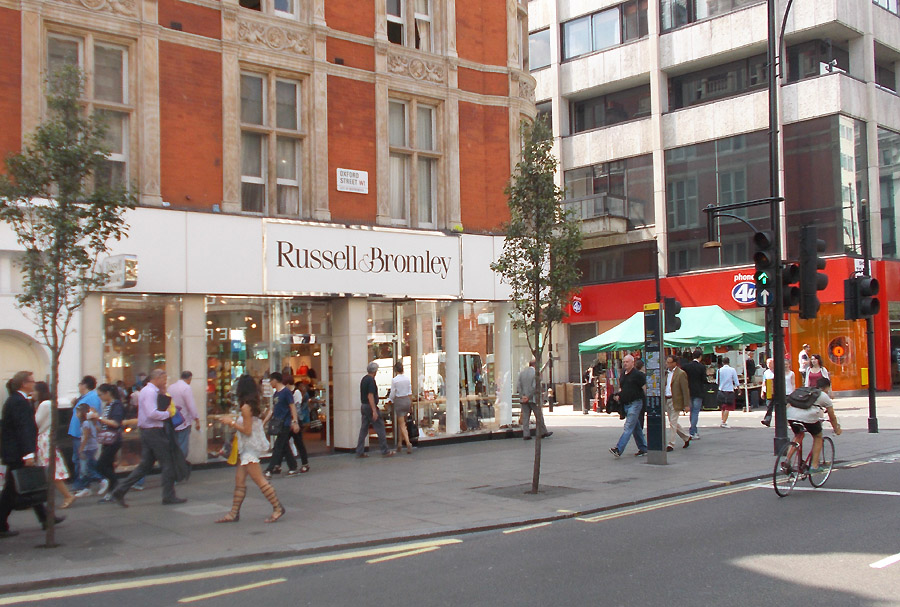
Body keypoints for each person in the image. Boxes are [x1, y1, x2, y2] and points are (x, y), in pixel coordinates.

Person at [108, 369, 186, 507]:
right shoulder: (150, 392)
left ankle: (120, 490)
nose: (165, 382)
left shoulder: (149, 391)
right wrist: (167, 414)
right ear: (157, 378)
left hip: (148, 431)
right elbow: (151, 413)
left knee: (145, 465)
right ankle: (168, 495)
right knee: (167, 462)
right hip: (154, 431)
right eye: (164, 379)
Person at [216, 375, 285, 524]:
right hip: (248, 447)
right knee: (239, 480)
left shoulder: (246, 408)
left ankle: (277, 507)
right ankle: (234, 513)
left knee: (259, 480)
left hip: (248, 448)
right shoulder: (251, 406)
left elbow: (246, 430)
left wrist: (231, 423)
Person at [1, 371, 63, 537]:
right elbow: (23, 429)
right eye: (31, 381)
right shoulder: (18, 402)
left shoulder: (18, 401)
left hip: (16, 452)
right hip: (18, 453)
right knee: (13, 490)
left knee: (26, 486)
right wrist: (28, 454)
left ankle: (45, 518)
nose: (34, 384)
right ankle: (2, 524)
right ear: (24, 384)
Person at [32, 381, 76, 509]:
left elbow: (37, 422)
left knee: (52, 470)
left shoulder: (44, 404)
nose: (32, 393)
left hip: (44, 439)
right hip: (47, 438)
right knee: (52, 470)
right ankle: (66, 495)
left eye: (35, 390)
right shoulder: (49, 403)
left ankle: (67, 495)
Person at [786, 377, 841, 473]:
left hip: (791, 415)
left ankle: (787, 460)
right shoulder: (823, 396)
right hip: (808, 417)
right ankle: (814, 466)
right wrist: (836, 429)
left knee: (799, 435)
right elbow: (832, 416)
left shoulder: (805, 391)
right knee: (818, 436)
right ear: (827, 387)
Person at [609, 354, 648, 457]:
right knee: (636, 427)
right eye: (624, 362)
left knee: (628, 426)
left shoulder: (638, 375)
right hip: (626, 403)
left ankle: (618, 449)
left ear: (632, 363)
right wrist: (618, 395)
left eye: (627, 362)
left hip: (635, 403)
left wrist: (647, 400)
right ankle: (643, 448)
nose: (625, 364)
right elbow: (623, 388)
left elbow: (645, 387)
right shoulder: (623, 374)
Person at [263, 372, 300, 479]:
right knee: (284, 446)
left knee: (278, 446)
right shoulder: (276, 394)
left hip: (285, 423)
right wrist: (264, 421)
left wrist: (295, 421)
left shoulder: (286, 392)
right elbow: (273, 409)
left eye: (270, 380)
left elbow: (292, 407)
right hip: (278, 423)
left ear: (275, 380)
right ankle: (293, 467)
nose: (270, 383)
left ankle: (270, 469)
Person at [68, 375, 101, 488]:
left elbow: (92, 414)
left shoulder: (92, 397)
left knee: (81, 459)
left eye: (80, 384)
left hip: (82, 432)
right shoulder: (84, 397)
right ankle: (88, 480)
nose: (78, 386)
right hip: (78, 431)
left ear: (85, 385)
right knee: (83, 459)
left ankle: (84, 482)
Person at [355, 362, 394, 458]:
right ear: (375, 371)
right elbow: (370, 395)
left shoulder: (364, 379)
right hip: (369, 406)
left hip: (363, 406)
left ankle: (359, 451)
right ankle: (385, 450)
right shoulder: (371, 381)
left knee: (363, 429)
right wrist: (374, 410)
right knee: (380, 427)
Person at [95, 384, 126, 504]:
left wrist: (99, 418)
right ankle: (113, 491)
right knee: (107, 466)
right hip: (107, 439)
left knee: (101, 465)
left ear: (108, 393)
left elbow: (116, 423)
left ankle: (116, 487)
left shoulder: (116, 405)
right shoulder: (108, 405)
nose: (100, 397)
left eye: (101, 395)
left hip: (113, 439)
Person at [72, 403, 104, 498]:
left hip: (88, 448)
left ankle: (101, 480)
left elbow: (85, 436)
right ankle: (87, 488)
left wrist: (81, 449)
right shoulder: (89, 422)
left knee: (86, 469)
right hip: (91, 447)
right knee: (89, 466)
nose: (76, 415)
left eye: (77, 412)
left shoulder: (85, 423)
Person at [168, 371, 200, 458]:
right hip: (183, 420)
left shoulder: (171, 387)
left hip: (172, 420)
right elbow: (191, 405)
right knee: (183, 445)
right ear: (189, 378)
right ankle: (180, 466)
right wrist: (196, 419)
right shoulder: (186, 388)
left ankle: (174, 464)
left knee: (174, 444)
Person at [517, 360, 551, 440]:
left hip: (524, 399)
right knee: (538, 416)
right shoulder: (536, 373)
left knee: (525, 417)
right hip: (533, 399)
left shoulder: (521, 373)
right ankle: (543, 432)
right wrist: (528, 396)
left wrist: (523, 396)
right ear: (535, 365)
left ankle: (526, 434)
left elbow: (518, 386)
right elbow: (534, 386)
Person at [664, 355, 692, 452]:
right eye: (666, 362)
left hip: (676, 400)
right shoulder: (666, 373)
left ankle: (671, 444)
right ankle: (686, 437)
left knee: (673, 422)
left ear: (674, 363)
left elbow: (685, 390)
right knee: (673, 422)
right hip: (667, 399)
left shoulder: (681, 373)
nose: (667, 364)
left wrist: (687, 404)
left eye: (669, 362)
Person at [761, 356, 797, 427]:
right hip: (770, 389)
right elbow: (764, 382)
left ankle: (787, 420)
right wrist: (762, 391)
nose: (769, 364)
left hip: (783, 391)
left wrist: (793, 391)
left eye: (770, 363)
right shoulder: (766, 372)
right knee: (769, 405)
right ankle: (767, 420)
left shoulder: (778, 371)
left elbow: (793, 383)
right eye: (768, 363)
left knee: (785, 407)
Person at [388, 361, 414, 454]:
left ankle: (408, 443)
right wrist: (410, 404)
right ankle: (399, 443)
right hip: (407, 400)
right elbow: (410, 391)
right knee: (402, 424)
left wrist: (389, 400)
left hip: (399, 401)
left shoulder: (395, 380)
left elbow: (393, 392)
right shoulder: (407, 379)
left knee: (402, 424)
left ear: (395, 370)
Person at [682, 349, 707, 439]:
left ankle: (694, 430)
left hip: (689, 390)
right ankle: (692, 431)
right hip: (698, 391)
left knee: (692, 411)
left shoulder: (686, 366)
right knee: (695, 412)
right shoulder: (702, 367)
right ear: (700, 357)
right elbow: (704, 380)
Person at [287, 378, 311, 473]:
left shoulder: (296, 392)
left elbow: (297, 407)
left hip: (295, 421)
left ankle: (304, 463)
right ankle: (277, 464)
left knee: (298, 442)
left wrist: (295, 421)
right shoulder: (289, 392)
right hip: (291, 421)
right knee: (283, 443)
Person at [716, 357, 739, 428]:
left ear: (722, 363)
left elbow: (717, 381)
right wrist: (738, 388)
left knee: (723, 407)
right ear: (729, 362)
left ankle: (723, 420)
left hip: (721, 390)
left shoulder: (719, 370)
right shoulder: (732, 370)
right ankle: (723, 422)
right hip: (729, 390)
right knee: (728, 407)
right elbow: (736, 380)